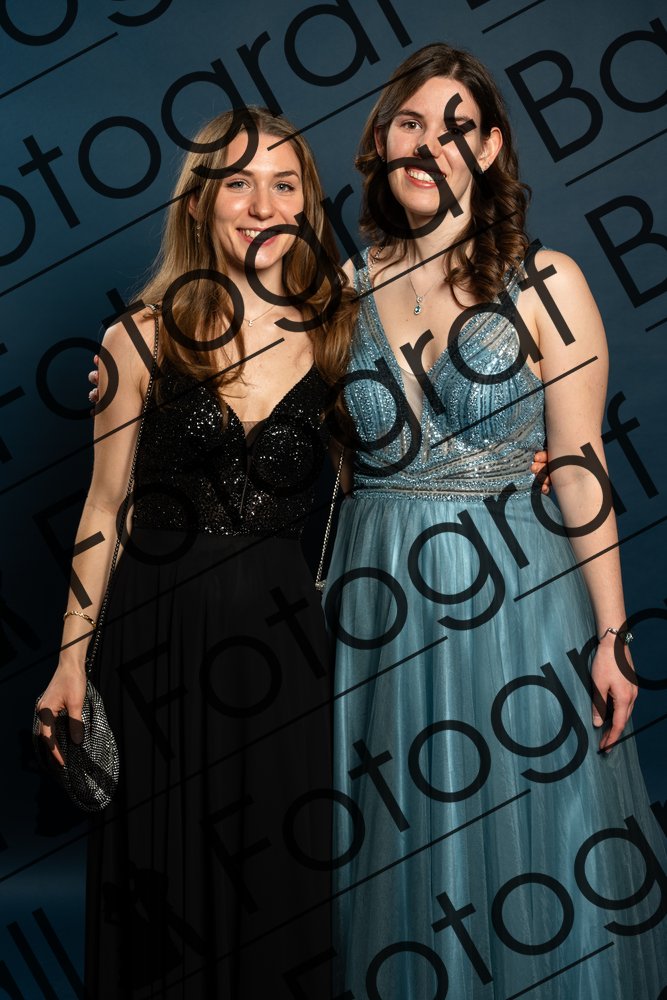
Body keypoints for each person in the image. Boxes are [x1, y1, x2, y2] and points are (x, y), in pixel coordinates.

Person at [323, 44, 667, 999]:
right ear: (381, 142)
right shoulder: (339, 289)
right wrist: (134, 355)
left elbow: (580, 469)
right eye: (409, 124)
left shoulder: (548, 280)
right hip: (374, 603)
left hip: (513, 599)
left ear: (489, 147)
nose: (429, 146)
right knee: (388, 839)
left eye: (455, 128)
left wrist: (612, 636)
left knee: (529, 829)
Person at [35, 106, 357, 999]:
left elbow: (398, 461)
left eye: (284, 184)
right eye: (237, 183)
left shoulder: (343, 335)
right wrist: (69, 662)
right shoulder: (138, 338)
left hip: (286, 642)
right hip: (155, 637)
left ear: (307, 204)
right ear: (200, 202)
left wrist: (525, 460)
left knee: (279, 875)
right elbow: (104, 509)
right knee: (159, 878)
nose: (262, 205)